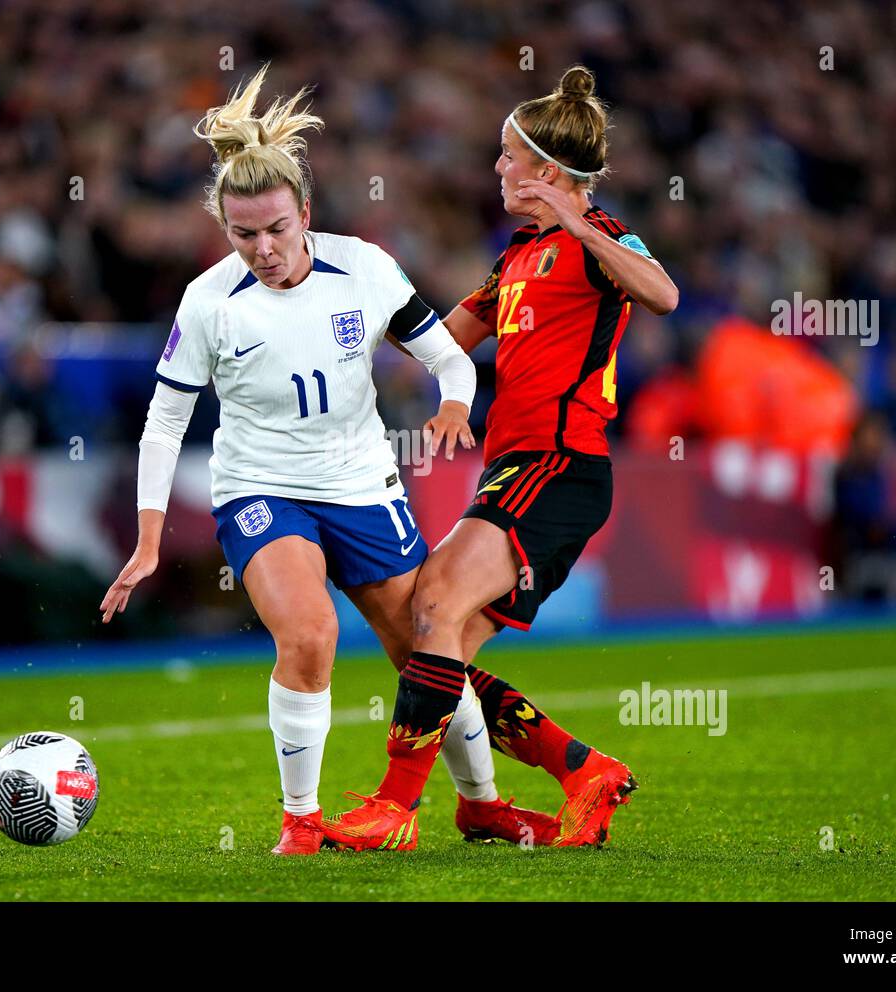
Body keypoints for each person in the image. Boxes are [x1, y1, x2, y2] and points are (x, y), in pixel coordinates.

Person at [97, 66, 555, 855]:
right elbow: (164, 421)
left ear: (304, 212)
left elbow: (451, 358)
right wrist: (147, 538)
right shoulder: (209, 301)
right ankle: (302, 822)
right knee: (309, 635)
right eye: (244, 235)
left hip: (361, 485)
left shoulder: (366, 269)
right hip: (260, 489)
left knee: (425, 650)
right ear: (224, 230)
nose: (264, 248)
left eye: (277, 228)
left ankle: (481, 804)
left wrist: (453, 401)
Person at [325, 66, 679, 850]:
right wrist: (332, 327)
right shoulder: (517, 255)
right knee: (434, 640)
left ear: (549, 172)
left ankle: (393, 809)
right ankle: (582, 770)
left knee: (435, 607)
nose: (496, 168)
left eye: (507, 155)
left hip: (562, 462)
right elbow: (439, 340)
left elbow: (662, 295)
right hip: (516, 468)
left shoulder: (600, 241)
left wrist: (579, 222)